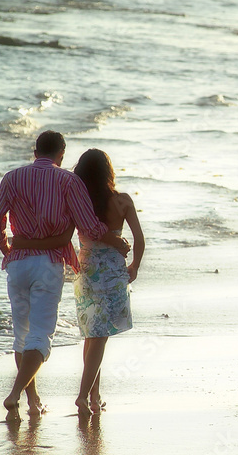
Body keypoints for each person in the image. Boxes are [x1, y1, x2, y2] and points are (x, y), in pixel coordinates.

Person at [0, 131, 129, 422]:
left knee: (22, 335)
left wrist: (7, 247)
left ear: (34, 149)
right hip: (49, 264)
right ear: (61, 153)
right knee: (40, 334)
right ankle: (14, 395)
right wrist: (116, 242)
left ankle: (33, 402)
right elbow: (89, 225)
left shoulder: (12, 178)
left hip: (17, 264)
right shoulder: (67, 180)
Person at [14, 148, 144, 416]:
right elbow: (139, 240)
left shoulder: (77, 202)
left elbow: (63, 235)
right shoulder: (122, 201)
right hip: (112, 275)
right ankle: (83, 397)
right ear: (109, 172)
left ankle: (94, 398)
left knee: (92, 336)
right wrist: (135, 267)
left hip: (85, 273)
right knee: (99, 337)